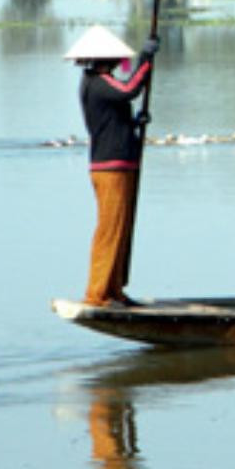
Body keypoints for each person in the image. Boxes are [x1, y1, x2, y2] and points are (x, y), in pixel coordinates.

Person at [64, 25, 159, 307]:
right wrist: (145, 59)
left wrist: (133, 124)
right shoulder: (98, 82)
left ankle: (114, 290)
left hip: (121, 161)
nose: (120, 62)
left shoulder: (101, 83)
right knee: (110, 229)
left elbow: (115, 112)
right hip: (110, 165)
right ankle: (97, 294)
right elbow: (130, 90)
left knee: (122, 228)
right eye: (116, 59)